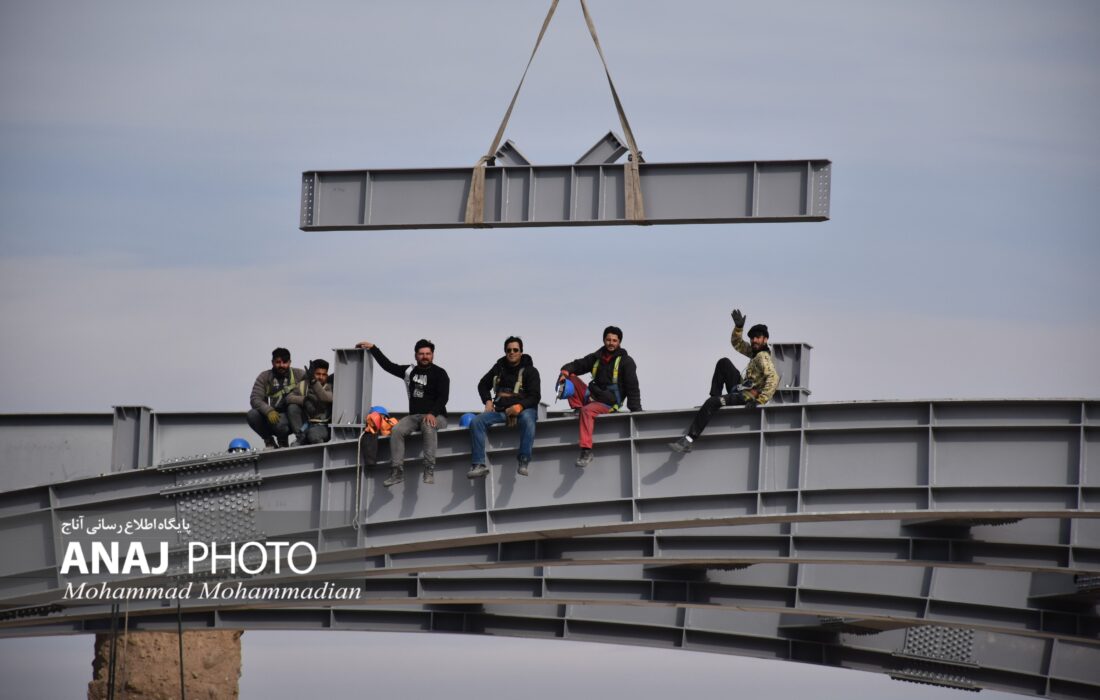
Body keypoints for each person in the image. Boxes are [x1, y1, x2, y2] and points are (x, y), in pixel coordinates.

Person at [670, 309, 779, 453]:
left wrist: (760, 400)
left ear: (765, 339)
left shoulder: (762, 356)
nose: (754, 341)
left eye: (757, 338)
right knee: (724, 363)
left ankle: (689, 440)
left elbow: (773, 378)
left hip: (747, 396)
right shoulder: (755, 353)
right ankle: (715, 396)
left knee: (711, 403)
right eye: (752, 338)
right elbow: (737, 343)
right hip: (742, 388)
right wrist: (738, 328)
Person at [355, 339, 449, 486]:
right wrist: (374, 348)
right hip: (415, 416)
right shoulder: (409, 371)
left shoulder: (440, 373)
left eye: (428, 354)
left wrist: (432, 413)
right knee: (397, 430)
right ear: (416, 355)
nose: (425, 356)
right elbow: (388, 366)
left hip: (437, 416)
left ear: (433, 355)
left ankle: (429, 469)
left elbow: (443, 397)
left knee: (428, 426)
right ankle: (397, 472)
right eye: (421, 354)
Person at [559, 325, 641, 468]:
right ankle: (578, 407)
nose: (611, 343)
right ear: (604, 340)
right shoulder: (596, 358)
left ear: (619, 342)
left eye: (614, 340)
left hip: (608, 402)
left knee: (587, 411)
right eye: (608, 340)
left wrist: (636, 410)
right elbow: (578, 365)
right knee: (569, 377)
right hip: (592, 396)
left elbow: (632, 387)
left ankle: (586, 451)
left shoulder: (626, 362)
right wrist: (564, 372)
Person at [467, 336, 542, 479]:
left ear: (521, 352)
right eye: (509, 350)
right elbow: (482, 384)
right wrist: (488, 401)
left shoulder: (531, 371)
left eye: (515, 350)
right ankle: (478, 464)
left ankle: (524, 460)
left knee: (528, 419)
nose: (512, 353)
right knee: (477, 422)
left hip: (523, 410)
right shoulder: (499, 368)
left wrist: (519, 407)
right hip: (502, 411)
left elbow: (535, 396)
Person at [246, 347, 307, 449]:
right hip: (271, 416)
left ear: (290, 362)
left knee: (280, 422)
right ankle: (269, 441)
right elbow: (255, 398)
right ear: (272, 362)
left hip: (293, 418)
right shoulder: (264, 377)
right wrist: (268, 411)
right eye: (278, 362)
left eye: (285, 362)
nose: (281, 365)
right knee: (252, 415)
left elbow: (311, 395)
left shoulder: (300, 375)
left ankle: (286, 441)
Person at [287, 359, 333, 445]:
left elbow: (325, 397)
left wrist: (313, 382)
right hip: (307, 424)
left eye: (324, 374)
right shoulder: (303, 385)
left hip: (325, 427)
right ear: (312, 374)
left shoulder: (330, 387)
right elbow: (289, 398)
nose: (321, 377)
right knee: (292, 407)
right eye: (318, 374)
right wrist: (304, 400)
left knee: (313, 434)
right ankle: (300, 437)